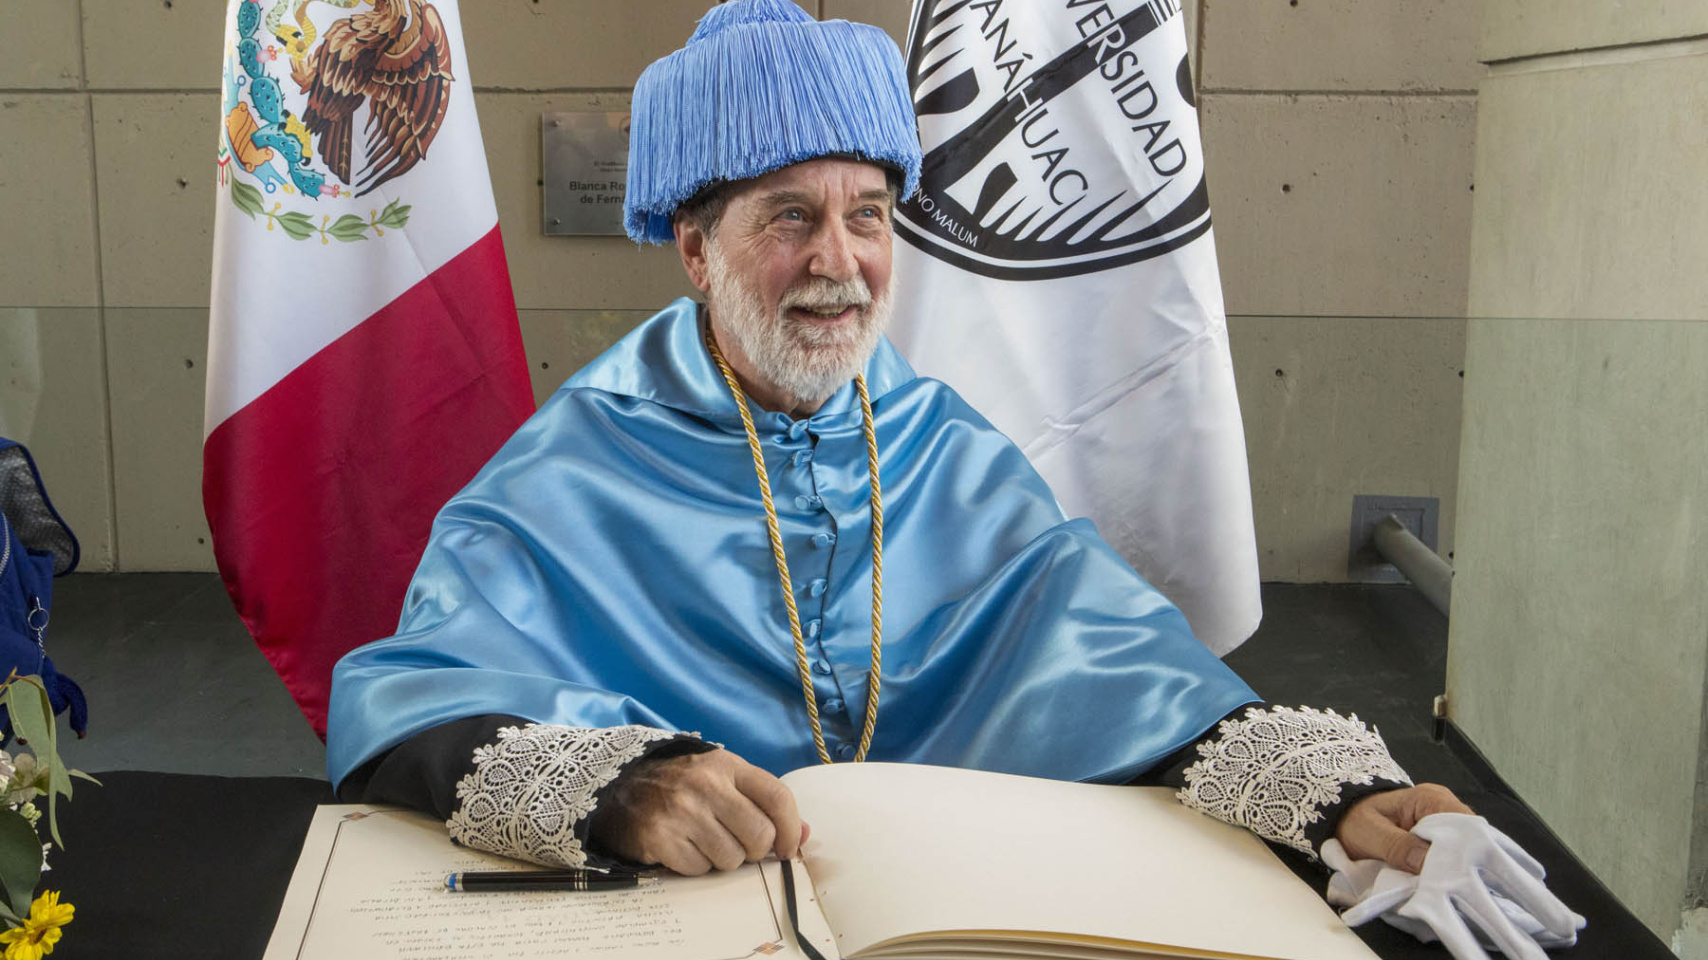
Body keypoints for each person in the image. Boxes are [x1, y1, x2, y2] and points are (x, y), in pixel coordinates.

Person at [327, 3, 1579, 955]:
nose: (841, 262)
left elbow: (1106, 661)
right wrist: (618, 785)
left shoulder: (937, 439)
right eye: (786, 217)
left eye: (868, 214)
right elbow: (413, 699)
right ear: (694, 248)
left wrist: (1338, 795)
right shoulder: (568, 466)